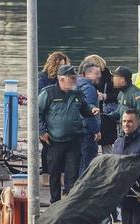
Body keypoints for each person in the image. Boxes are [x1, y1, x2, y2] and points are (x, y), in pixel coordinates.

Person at [38, 64, 100, 203]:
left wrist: (91, 110)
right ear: (61, 79)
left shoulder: (77, 93)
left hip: (74, 139)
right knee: (54, 172)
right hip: (54, 140)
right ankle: (55, 202)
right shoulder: (48, 93)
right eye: (71, 78)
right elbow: (38, 113)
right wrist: (41, 132)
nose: (74, 81)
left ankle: (70, 203)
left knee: (72, 172)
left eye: (75, 78)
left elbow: (84, 108)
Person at [38, 51, 70, 182]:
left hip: (61, 118)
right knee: (48, 147)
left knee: (61, 148)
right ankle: (47, 175)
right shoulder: (43, 79)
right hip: (47, 118)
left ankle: (59, 176)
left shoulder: (66, 81)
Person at [107, 66, 140, 135]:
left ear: (123, 79)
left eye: (115, 77)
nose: (113, 79)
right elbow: (119, 112)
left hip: (137, 136)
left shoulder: (136, 94)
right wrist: (105, 116)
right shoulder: (121, 93)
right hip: (125, 134)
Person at [77, 59, 102, 175]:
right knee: (87, 164)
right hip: (87, 132)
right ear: (85, 74)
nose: (99, 76)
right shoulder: (89, 88)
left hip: (77, 131)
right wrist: (96, 130)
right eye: (96, 73)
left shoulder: (75, 85)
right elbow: (90, 112)